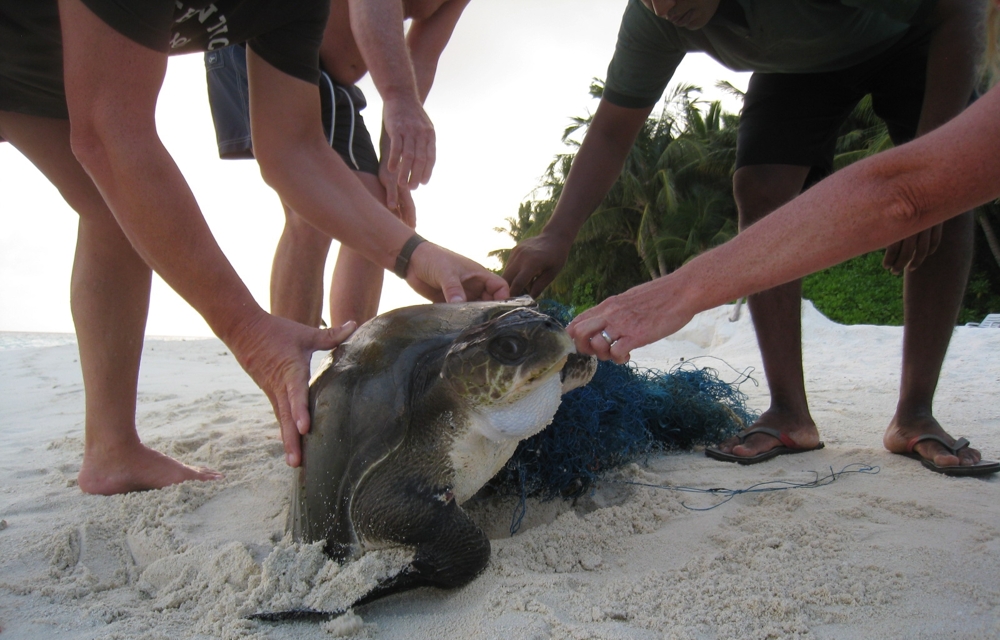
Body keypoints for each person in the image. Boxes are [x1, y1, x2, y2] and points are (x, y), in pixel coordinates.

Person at [0, 0, 508, 495]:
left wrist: (413, 254)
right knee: (115, 171)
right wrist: (249, 330)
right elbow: (111, 130)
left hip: (46, 58)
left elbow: (294, 150)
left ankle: (111, 451)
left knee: (115, 213)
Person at [503, 0, 988, 474]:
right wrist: (557, 233)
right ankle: (788, 413)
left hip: (915, 36)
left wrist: (931, 176)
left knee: (949, 185)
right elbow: (612, 131)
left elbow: (959, 10)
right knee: (759, 186)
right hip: (800, 63)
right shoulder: (653, 17)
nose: (663, 6)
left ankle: (915, 412)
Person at [206, 0, 471, 329]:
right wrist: (397, 97)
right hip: (270, 39)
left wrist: (394, 156)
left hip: (331, 80)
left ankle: (352, 361)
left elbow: (423, 54)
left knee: (381, 206)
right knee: (313, 212)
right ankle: (292, 368)